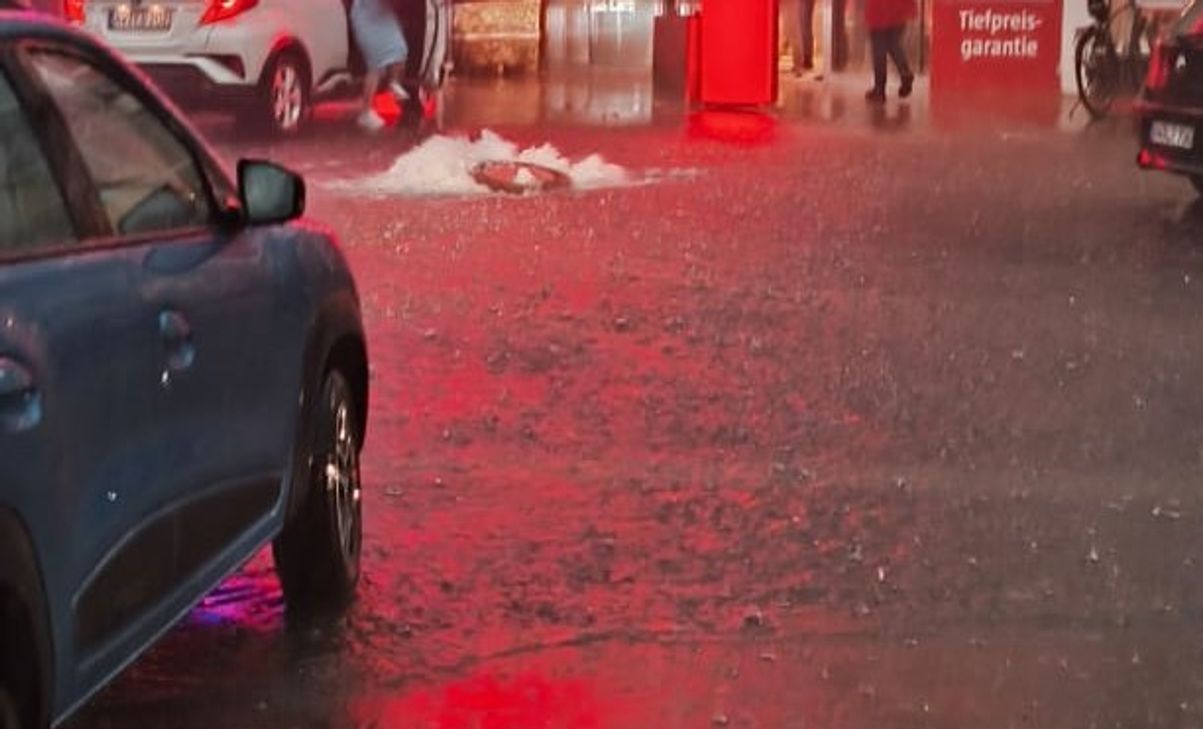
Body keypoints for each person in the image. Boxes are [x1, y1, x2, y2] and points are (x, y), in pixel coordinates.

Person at [348, 0, 409, 131]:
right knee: (376, 63)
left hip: (383, 14)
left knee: (399, 48)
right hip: (366, 15)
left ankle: (393, 83)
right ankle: (365, 112)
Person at [864, 0, 916, 103]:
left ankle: (879, 89)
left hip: (880, 9)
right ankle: (905, 73)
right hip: (899, 8)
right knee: (893, 43)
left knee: (879, 48)